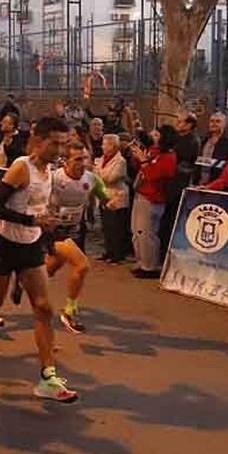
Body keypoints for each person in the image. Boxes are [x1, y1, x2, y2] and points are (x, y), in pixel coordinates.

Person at [0, 116, 80, 403]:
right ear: (39, 140)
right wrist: (32, 219)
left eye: (63, 144)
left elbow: (39, 209)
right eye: (54, 143)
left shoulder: (50, 171)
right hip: (4, 245)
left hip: (30, 247)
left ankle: (48, 377)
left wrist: (47, 226)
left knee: (44, 308)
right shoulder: (22, 167)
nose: (59, 150)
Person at [45, 140, 106, 332]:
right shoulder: (53, 178)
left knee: (50, 268)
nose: (83, 163)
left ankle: (28, 280)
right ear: (64, 161)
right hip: (54, 231)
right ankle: (69, 312)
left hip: (75, 230)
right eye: (77, 159)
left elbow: (103, 195)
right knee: (81, 265)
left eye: (85, 158)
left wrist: (110, 201)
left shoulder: (92, 178)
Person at [127, 126, 178, 279]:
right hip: (141, 193)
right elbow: (141, 168)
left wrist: (143, 160)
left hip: (153, 198)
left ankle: (150, 266)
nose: (153, 135)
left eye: (157, 134)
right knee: (137, 231)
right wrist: (138, 157)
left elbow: (153, 175)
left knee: (147, 233)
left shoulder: (169, 157)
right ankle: (141, 261)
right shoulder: (154, 151)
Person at [95, 133, 131, 263]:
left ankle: (117, 254)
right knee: (106, 226)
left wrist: (98, 173)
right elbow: (97, 176)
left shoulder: (120, 161)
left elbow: (111, 178)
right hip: (104, 195)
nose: (102, 146)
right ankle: (108, 251)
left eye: (104, 144)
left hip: (117, 198)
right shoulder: (101, 158)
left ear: (112, 146)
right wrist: (99, 174)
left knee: (116, 228)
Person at [196, 112, 228, 184]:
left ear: (224, 124)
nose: (214, 124)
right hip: (199, 184)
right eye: (212, 121)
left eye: (218, 121)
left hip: (217, 185)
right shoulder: (202, 142)